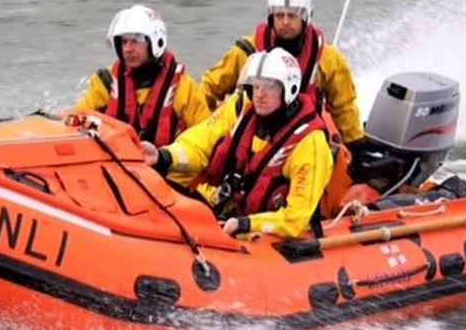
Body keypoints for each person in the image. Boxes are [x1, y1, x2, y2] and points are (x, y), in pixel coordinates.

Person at [142, 48, 333, 239]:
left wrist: (246, 223)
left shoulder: (310, 144)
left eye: (269, 86)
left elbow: (295, 219)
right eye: (256, 86)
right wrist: (163, 156)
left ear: (288, 88)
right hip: (227, 210)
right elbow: (199, 142)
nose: (260, 94)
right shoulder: (241, 107)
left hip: (265, 232)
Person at [198, 0, 375, 180]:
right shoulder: (247, 52)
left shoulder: (328, 59)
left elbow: (344, 106)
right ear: (270, 17)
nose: (285, 22)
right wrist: (204, 129)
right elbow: (209, 88)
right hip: (251, 139)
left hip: (303, 142)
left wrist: (356, 145)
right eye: (279, 15)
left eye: (292, 16)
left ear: (306, 17)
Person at [75, 4, 208, 147]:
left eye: (136, 40)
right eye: (124, 41)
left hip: (162, 165)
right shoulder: (106, 82)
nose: (128, 49)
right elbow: (76, 122)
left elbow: (204, 138)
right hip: (114, 162)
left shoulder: (183, 87)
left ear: (155, 41)